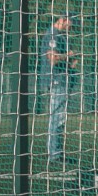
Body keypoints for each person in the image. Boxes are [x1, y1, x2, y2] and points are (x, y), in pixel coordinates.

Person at [38, 13, 75, 166]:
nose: (70, 28)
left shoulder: (61, 36)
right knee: (56, 117)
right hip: (56, 81)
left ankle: (57, 151)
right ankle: (54, 154)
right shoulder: (52, 34)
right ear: (63, 20)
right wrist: (68, 55)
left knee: (60, 117)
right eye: (70, 24)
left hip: (62, 80)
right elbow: (52, 58)